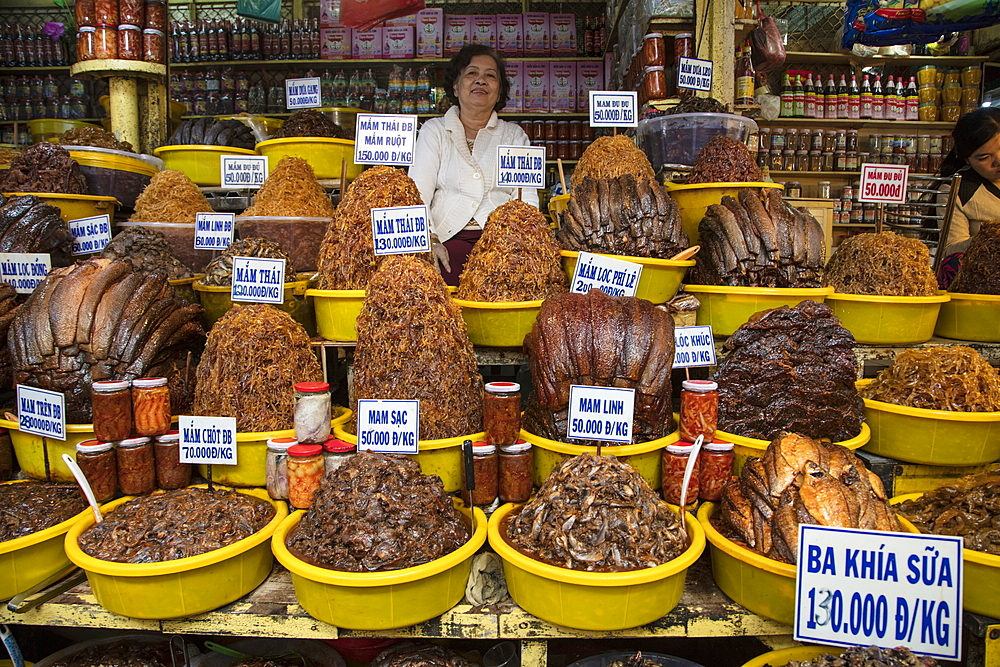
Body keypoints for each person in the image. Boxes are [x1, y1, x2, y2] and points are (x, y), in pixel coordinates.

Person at [410, 44, 539, 285]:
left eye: (490, 75)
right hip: (446, 241)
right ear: (456, 86)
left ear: (499, 92)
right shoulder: (434, 131)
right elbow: (417, 194)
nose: (481, 80)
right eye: (471, 73)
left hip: (502, 245)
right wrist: (430, 241)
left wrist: (520, 246)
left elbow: (526, 199)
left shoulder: (514, 136)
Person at [937, 107, 1000, 288]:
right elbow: (950, 251)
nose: (998, 161)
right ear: (966, 159)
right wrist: (991, 237)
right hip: (984, 279)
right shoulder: (957, 190)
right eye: (985, 158)